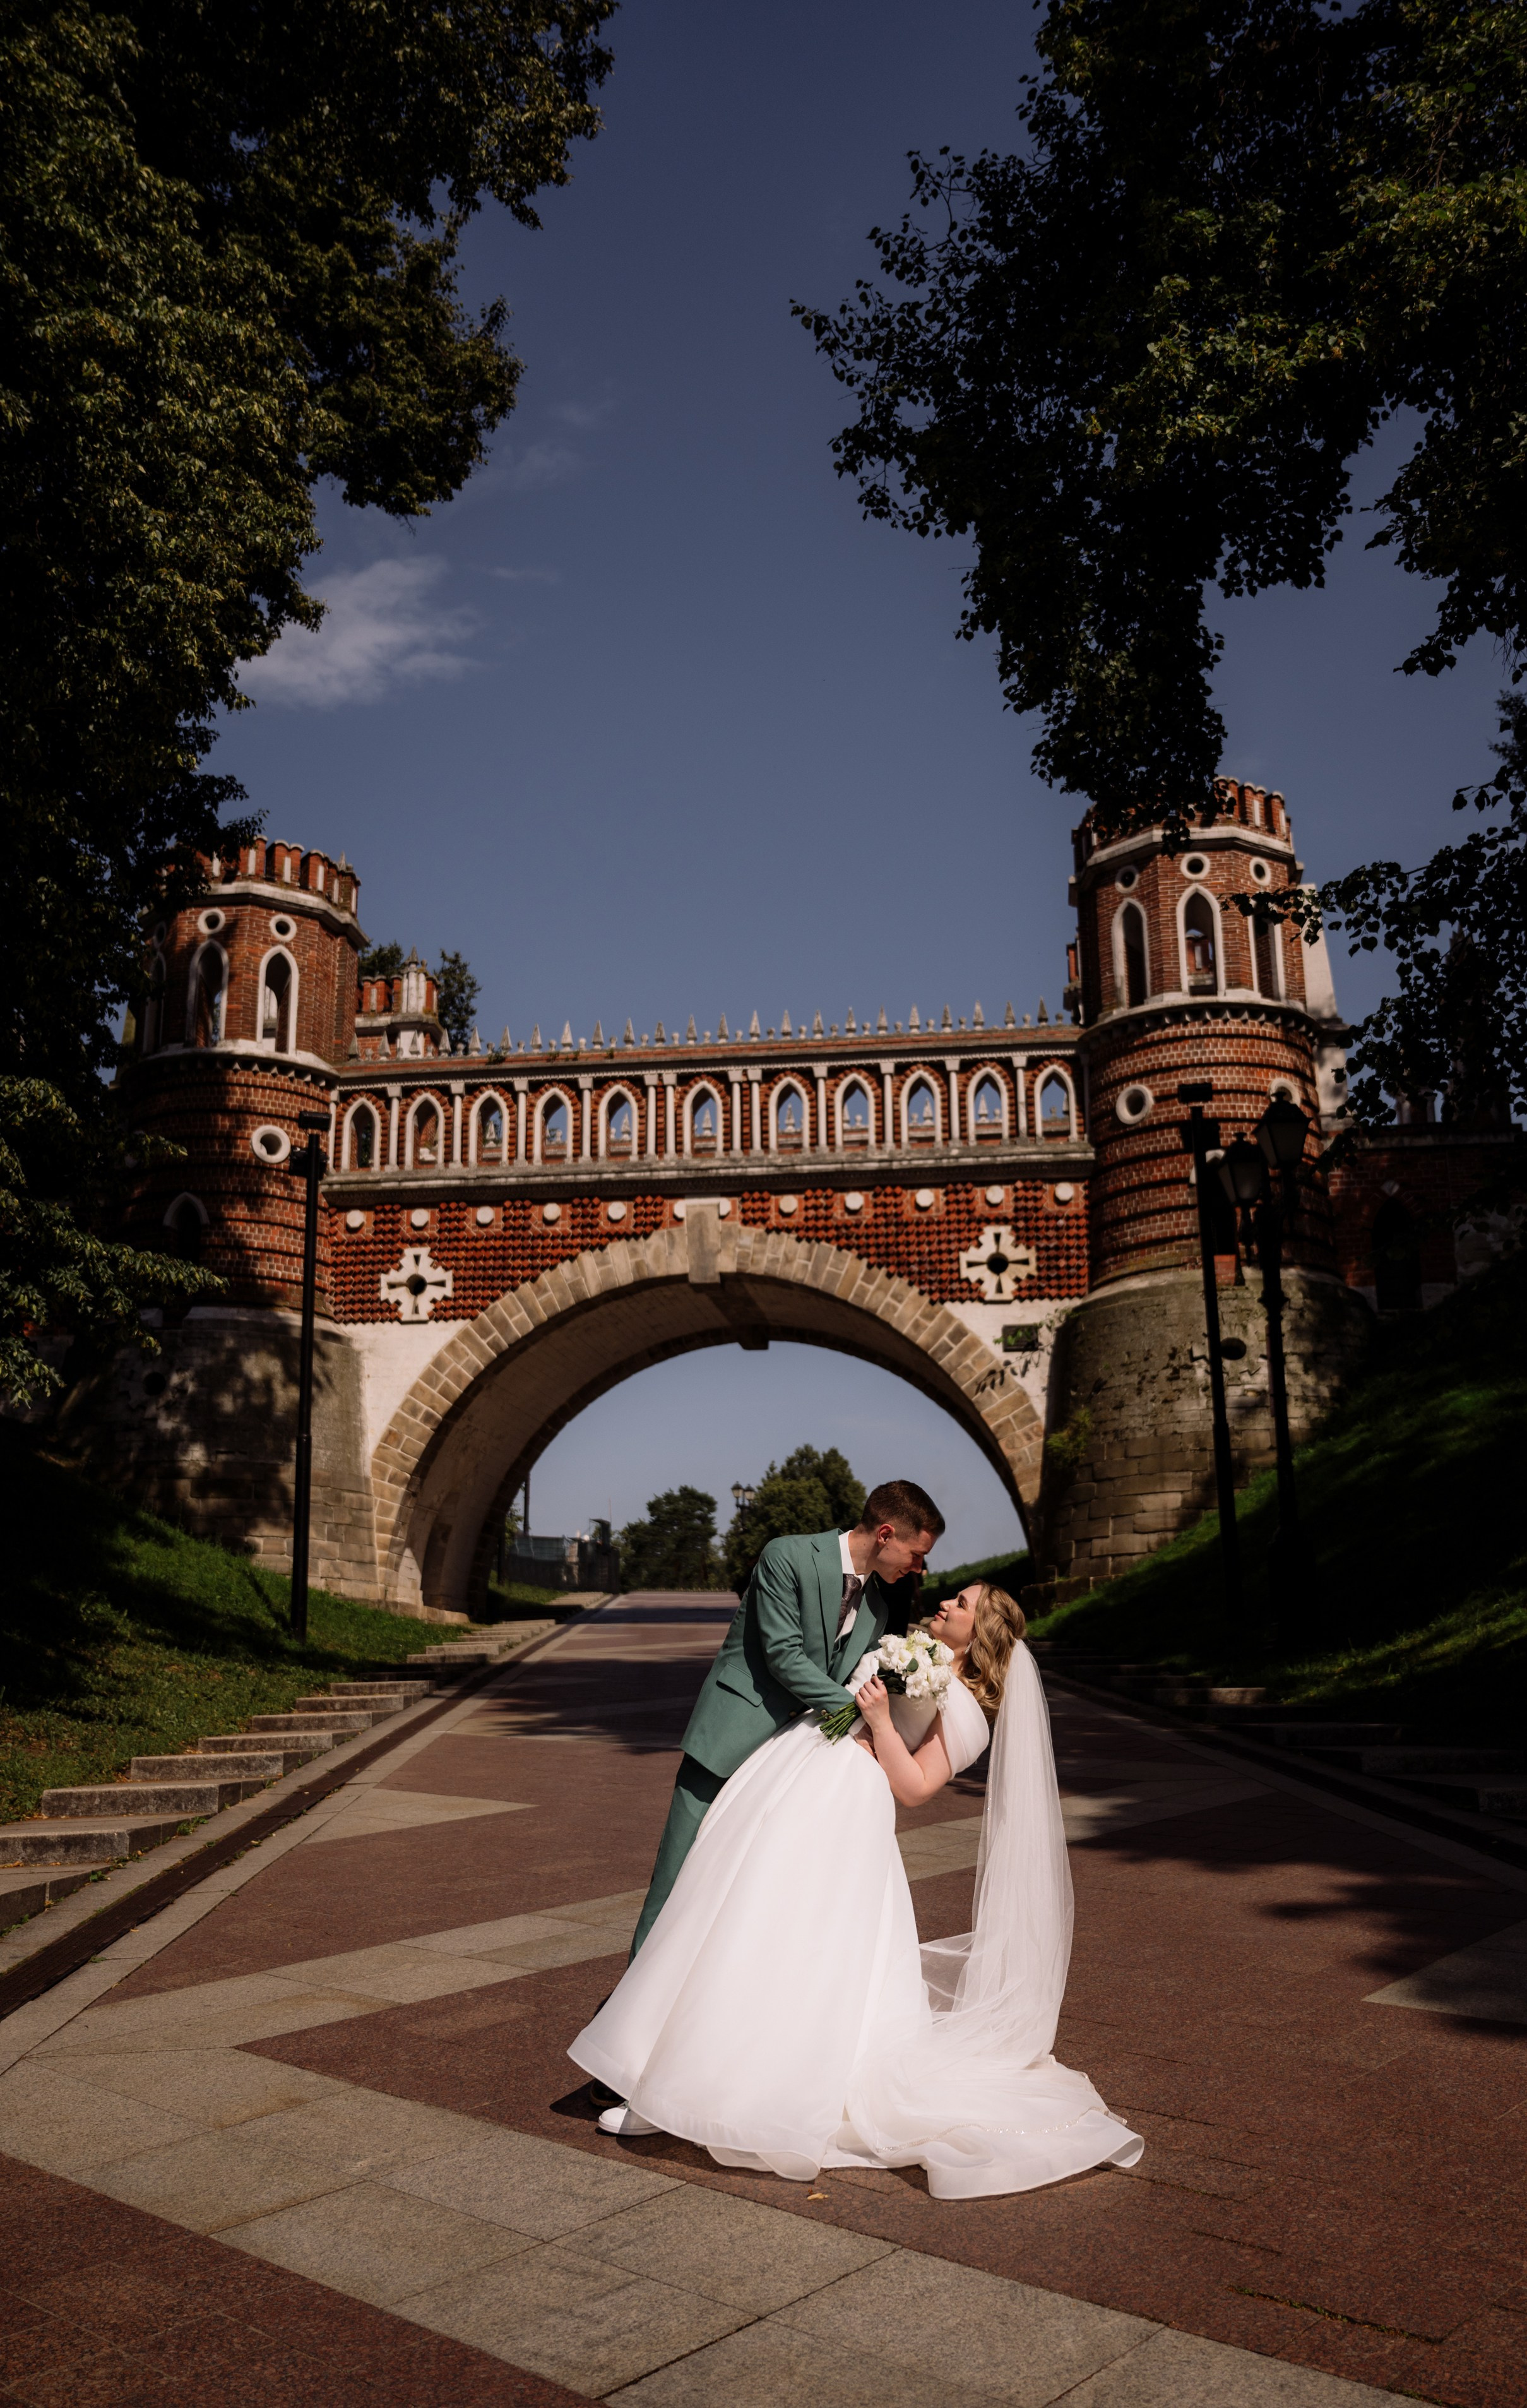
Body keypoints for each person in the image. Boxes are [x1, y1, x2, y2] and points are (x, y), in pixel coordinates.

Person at [569, 1581, 1143, 2197]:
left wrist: (876, 1722)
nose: (947, 1602)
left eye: (964, 1604)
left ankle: (700, 2096)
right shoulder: (906, 1647)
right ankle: (659, 2079)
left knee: (782, 1934)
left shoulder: (968, 1714)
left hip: (846, 1807)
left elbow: (917, 1786)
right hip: (800, 1771)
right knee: (732, 1913)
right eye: (953, 1596)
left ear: (980, 1635)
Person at [588, 1479, 943, 2131]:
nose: (918, 1568)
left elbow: (854, 1669)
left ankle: (695, 2057)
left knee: (734, 1907)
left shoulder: (880, 1604)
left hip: (791, 1764)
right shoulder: (787, 1554)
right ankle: (621, 2061)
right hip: (730, 1744)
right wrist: (856, 1711)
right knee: (673, 1895)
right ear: (887, 1534)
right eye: (916, 1554)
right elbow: (782, 1654)